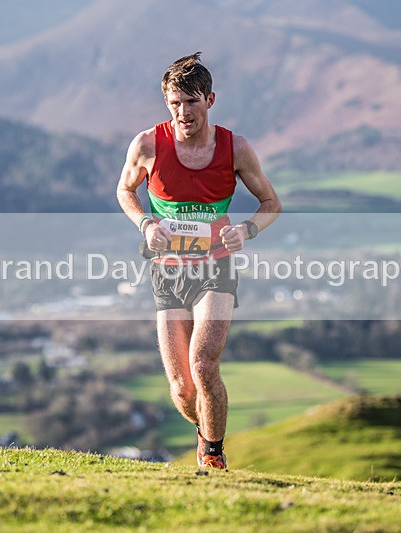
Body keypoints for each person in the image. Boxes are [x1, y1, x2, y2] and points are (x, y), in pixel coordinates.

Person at [116, 53, 281, 469]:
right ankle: (204, 430)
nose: (183, 112)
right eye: (174, 102)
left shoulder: (234, 148)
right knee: (182, 389)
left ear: (209, 99)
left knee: (203, 365)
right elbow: (125, 192)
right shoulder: (148, 145)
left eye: (191, 102)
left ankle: (213, 454)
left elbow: (271, 203)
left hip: (216, 268)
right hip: (168, 272)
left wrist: (245, 230)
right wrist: (146, 225)